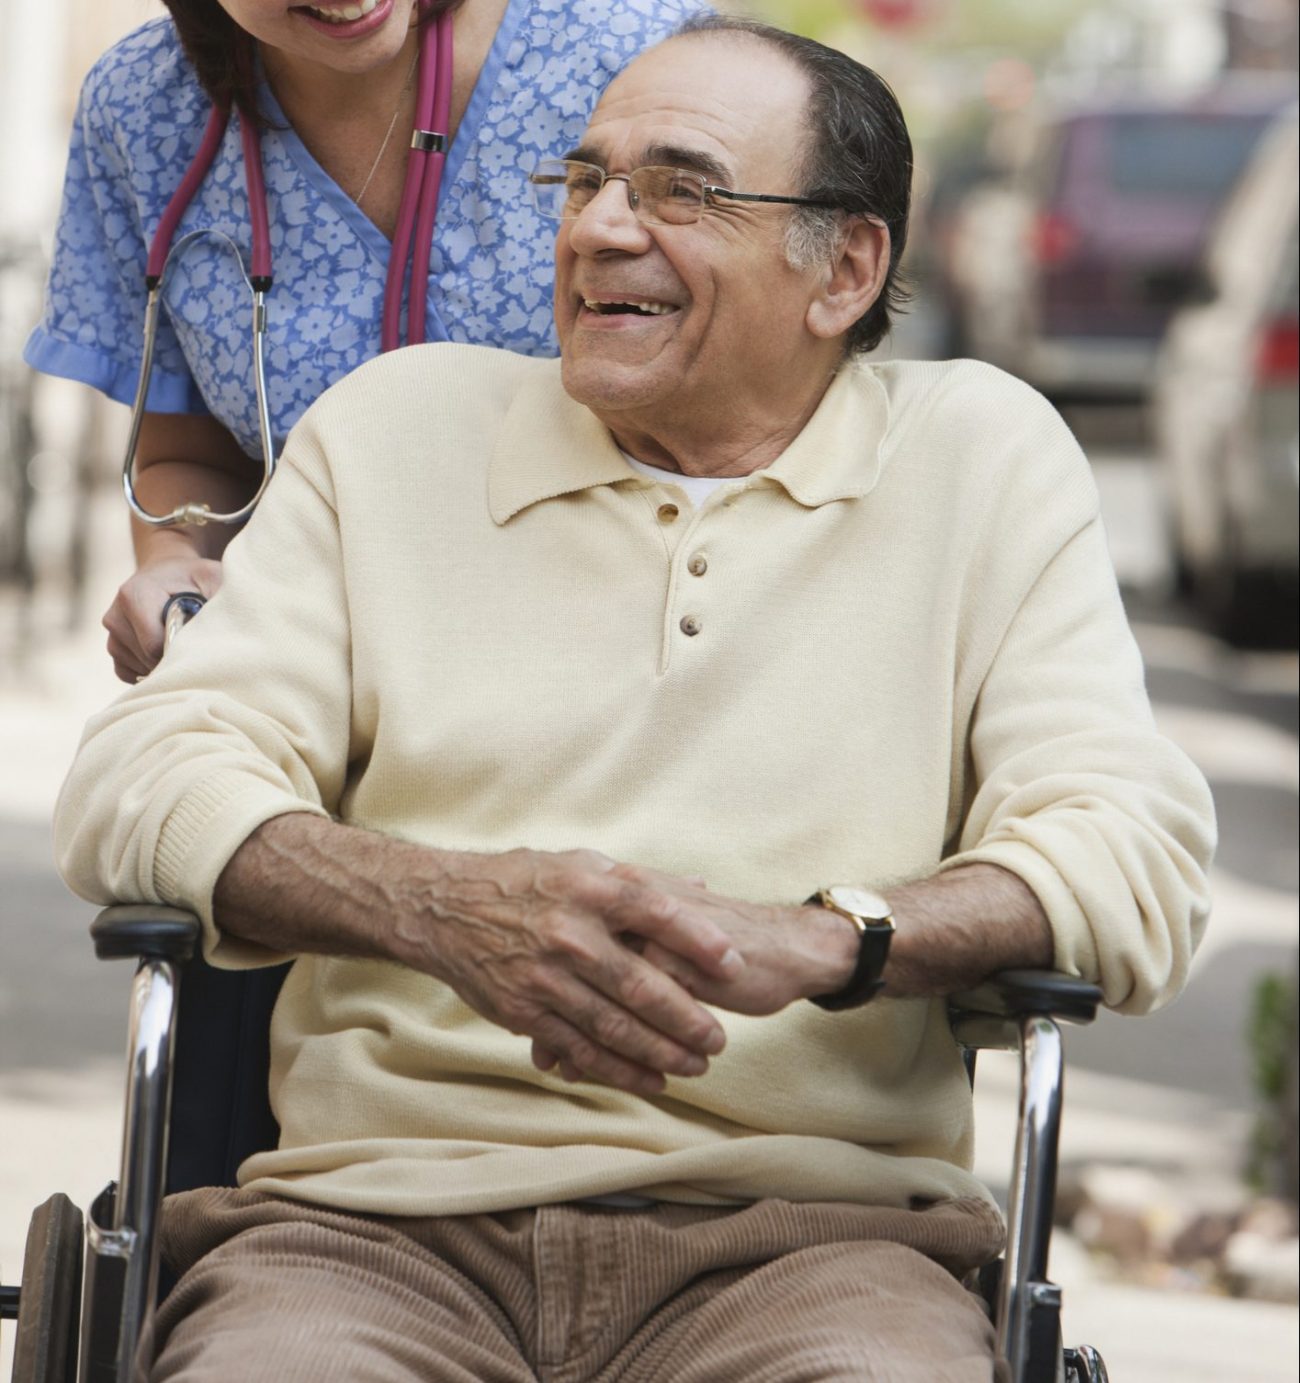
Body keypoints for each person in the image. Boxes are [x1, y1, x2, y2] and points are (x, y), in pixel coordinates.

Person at [54, 15, 1216, 1380]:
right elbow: (139, 775)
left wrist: (836, 938)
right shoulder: (392, 433)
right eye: (588, 180)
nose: (601, 227)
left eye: (682, 189)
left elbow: (1131, 847)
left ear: (844, 267)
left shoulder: (981, 460)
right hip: (370, 1232)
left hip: (816, 1249)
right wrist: (439, 909)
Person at [23, 0, 702, 684]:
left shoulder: (649, 59)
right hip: (314, 678)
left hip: (622, 661)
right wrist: (175, 565)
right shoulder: (141, 106)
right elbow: (188, 454)